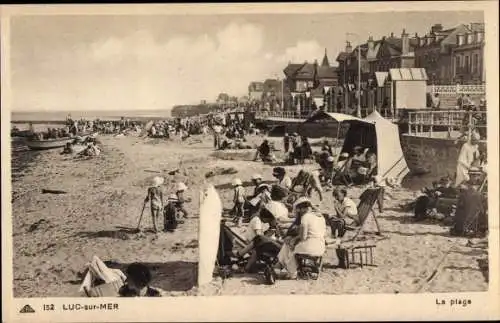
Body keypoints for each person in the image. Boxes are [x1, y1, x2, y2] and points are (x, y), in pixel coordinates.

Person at [277, 197, 326, 279]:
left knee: (288, 245)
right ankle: (283, 266)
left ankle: (287, 269)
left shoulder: (305, 217)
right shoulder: (320, 217)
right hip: (320, 247)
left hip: (309, 247)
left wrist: (294, 239)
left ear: (301, 209)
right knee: (290, 244)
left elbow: (303, 237)